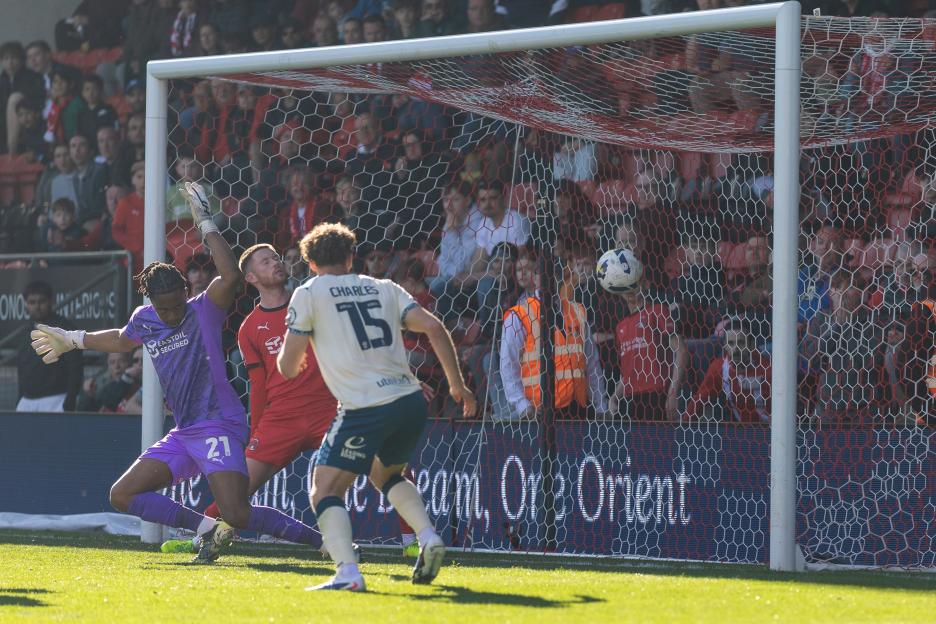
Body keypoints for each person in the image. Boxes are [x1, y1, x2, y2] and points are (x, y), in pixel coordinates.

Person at [30, 182, 326, 564]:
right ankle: (206, 529)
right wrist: (74, 339)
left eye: (176, 304)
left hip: (219, 424)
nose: (172, 314)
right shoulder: (146, 319)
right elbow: (121, 340)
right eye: (165, 309)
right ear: (151, 302)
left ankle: (322, 543)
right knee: (122, 495)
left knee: (236, 512)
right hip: (185, 431)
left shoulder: (204, 308)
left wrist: (205, 221)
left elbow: (231, 277)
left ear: (186, 290)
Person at [277, 222, 477, 591]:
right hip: (410, 401)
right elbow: (434, 327)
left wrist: (293, 360)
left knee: (324, 490)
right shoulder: (384, 287)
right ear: (352, 257)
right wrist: (457, 385)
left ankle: (348, 573)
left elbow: (288, 366)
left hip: (364, 406)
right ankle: (428, 536)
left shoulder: (309, 291)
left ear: (311, 264)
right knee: (387, 475)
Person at [500, 256, 607, 420]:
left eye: (554, 274)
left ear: (561, 278)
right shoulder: (518, 315)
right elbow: (508, 364)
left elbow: (592, 362)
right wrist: (522, 405)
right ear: (534, 278)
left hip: (578, 409)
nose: (547, 278)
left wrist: (601, 406)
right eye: (540, 273)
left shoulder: (577, 311)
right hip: (539, 412)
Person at [608, 269, 688, 421]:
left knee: (658, 444)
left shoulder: (657, 311)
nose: (630, 288)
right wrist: (614, 397)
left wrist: (673, 393)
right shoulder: (620, 327)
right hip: (630, 401)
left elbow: (681, 351)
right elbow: (629, 372)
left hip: (657, 396)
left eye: (634, 283)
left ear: (645, 284)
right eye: (625, 285)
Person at [683, 318, 771, 423]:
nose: (736, 349)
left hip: (772, 433)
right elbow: (699, 400)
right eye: (731, 343)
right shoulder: (718, 368)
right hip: (741, 432)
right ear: (725, 345)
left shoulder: (770, 369)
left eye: (741, 342)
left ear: (751, 345)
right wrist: (683, 428)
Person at [17, 280, 84, 412]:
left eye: (42, 301)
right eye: (32, 302)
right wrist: (20, 399)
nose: (37, 306)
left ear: (51, 301)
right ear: (26, 305)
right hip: (26, 402)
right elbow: (21, 370)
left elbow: (75, 368)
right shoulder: (24, 333)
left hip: (57, 400)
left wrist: (70, 401)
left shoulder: (66, 330)